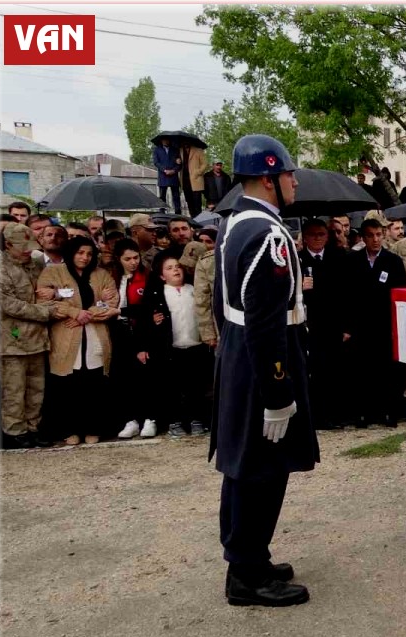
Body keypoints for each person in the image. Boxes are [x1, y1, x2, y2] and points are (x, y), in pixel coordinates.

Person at [211, 134, 316, 607]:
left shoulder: (234, 223)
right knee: (262, 469)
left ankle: (248, 556)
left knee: (244, 464)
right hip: (263, 360)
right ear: (269, 178)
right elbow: (265, 320)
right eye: (289, 173)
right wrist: (277, 391)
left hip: (240, 354)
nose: (295, 181)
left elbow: (222, 303)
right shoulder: (268, 234)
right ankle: (248, 575)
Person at [36, 236, 120, 445]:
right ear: (71, 252)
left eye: (89, 254)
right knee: (66, 387)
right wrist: (73, 312)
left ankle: (94, 427)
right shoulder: (53, 272)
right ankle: (68, 429)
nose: (85, 257)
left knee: (94, 384)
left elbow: (112, 302)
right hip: (65, 337)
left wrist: (87, 315)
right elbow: (44, 302)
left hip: (95, 336)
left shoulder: (101, 274)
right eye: (80, 253)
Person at [0, 224, 61, 448]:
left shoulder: (36, 263)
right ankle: (14, 430)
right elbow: (8, 304)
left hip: (38, 338)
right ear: (7, 245)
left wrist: (52, 298)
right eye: (21, 246)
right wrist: (45, 311)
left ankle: (33, 427)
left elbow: (48, 288)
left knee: (37, 388)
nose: (27, 250)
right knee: (14, 389)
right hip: (12, 340)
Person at [342, 217, 406, 428]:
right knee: (362, 370)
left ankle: (388, 411)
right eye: (370, 236)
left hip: (384, 324)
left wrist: (395, 326)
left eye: (379, 235)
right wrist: (347, 327)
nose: (375, 239)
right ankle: (363, 412)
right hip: (360, 325)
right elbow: (346, 296)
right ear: (363, 237)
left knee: (386, 370)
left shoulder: (393, 261)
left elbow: (399, 295)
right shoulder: (352, 260)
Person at [137, 251, 210, 437]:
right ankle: (175, 420)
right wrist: (153, 323)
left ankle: (197, 419)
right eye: (169, 268)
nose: (175, 270)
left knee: (196, 385)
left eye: (177, 266)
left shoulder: (193, 289)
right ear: (162, 275)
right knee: (172, 386)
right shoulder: (157, 293)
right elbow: (143, 320)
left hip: (195, 344)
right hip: (170, 348)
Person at [299, 219, 348, 429]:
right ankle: (316, 416)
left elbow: (348, 294)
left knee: (335, 370)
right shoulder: (298, 260)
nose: (317, 238)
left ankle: (336, 415)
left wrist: (347, 326)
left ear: (327, 237)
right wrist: (301, 288)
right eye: (312, 234)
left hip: (334, 323)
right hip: (310, 323)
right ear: (305, 237)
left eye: (321, 234)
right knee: (314, 371)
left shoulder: (338, 258)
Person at [110, 239, 158, 440]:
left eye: (135, 257)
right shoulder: (112, 278)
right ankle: (131, 420)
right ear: (118, 259)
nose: (132, 262)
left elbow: (148, 307)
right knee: (123, 377)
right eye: (127, 259)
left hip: (141, 330)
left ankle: (150, 418)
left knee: (145, 376)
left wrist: (122, 310)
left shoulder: (148, 277)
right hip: (118, 331)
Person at [153, 138, 183, 214]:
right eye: (163, 140)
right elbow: (156, 162)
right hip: (163, 176)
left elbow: (179, 164)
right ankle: (162, 212)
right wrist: (164, 170)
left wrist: (173, 171)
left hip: (174, 176)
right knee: (162, 196)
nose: (165, 141)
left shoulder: (175, 150)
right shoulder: (157, 150)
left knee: (176, 196)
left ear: (169, 140)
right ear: (161, 140)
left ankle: (178, 212)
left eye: (167, 140)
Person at [182, 142, 208, 217]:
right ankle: (192, 219)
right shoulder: (180, 150)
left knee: (197, 203)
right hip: (184, 180)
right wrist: (177, 161)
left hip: (196, 180)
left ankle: (199, 220)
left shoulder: (198, 150)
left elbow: (205, 164)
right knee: (189, 202)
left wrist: (198, 172)